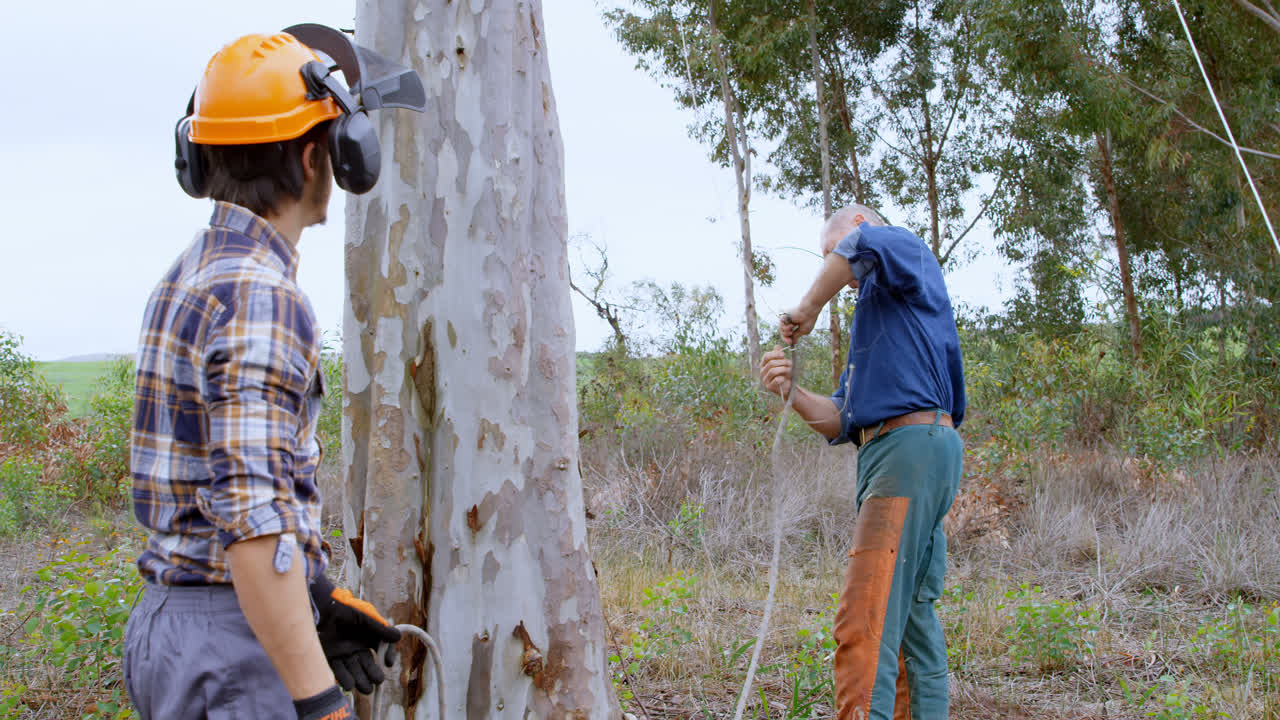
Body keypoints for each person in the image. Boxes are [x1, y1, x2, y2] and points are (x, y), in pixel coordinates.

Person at [125, 28, 422, 719]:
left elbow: (218, 487)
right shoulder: (262, 295)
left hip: (177, 629)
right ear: (323, 155)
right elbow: (253, 532)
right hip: (231, 642)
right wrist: (320, 703)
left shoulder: (190, 274)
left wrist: (316, 600)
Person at [760, 205, 965, 720]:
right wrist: (791, 392)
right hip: (911, 450)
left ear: (856, 226)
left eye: (829, 253)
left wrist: (806, 308)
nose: (836, 271)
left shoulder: (897, 243)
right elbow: (840, 419)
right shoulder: (880, 320)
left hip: (908, 452)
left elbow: (860, 249)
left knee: (867, 615)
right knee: (911, 620)